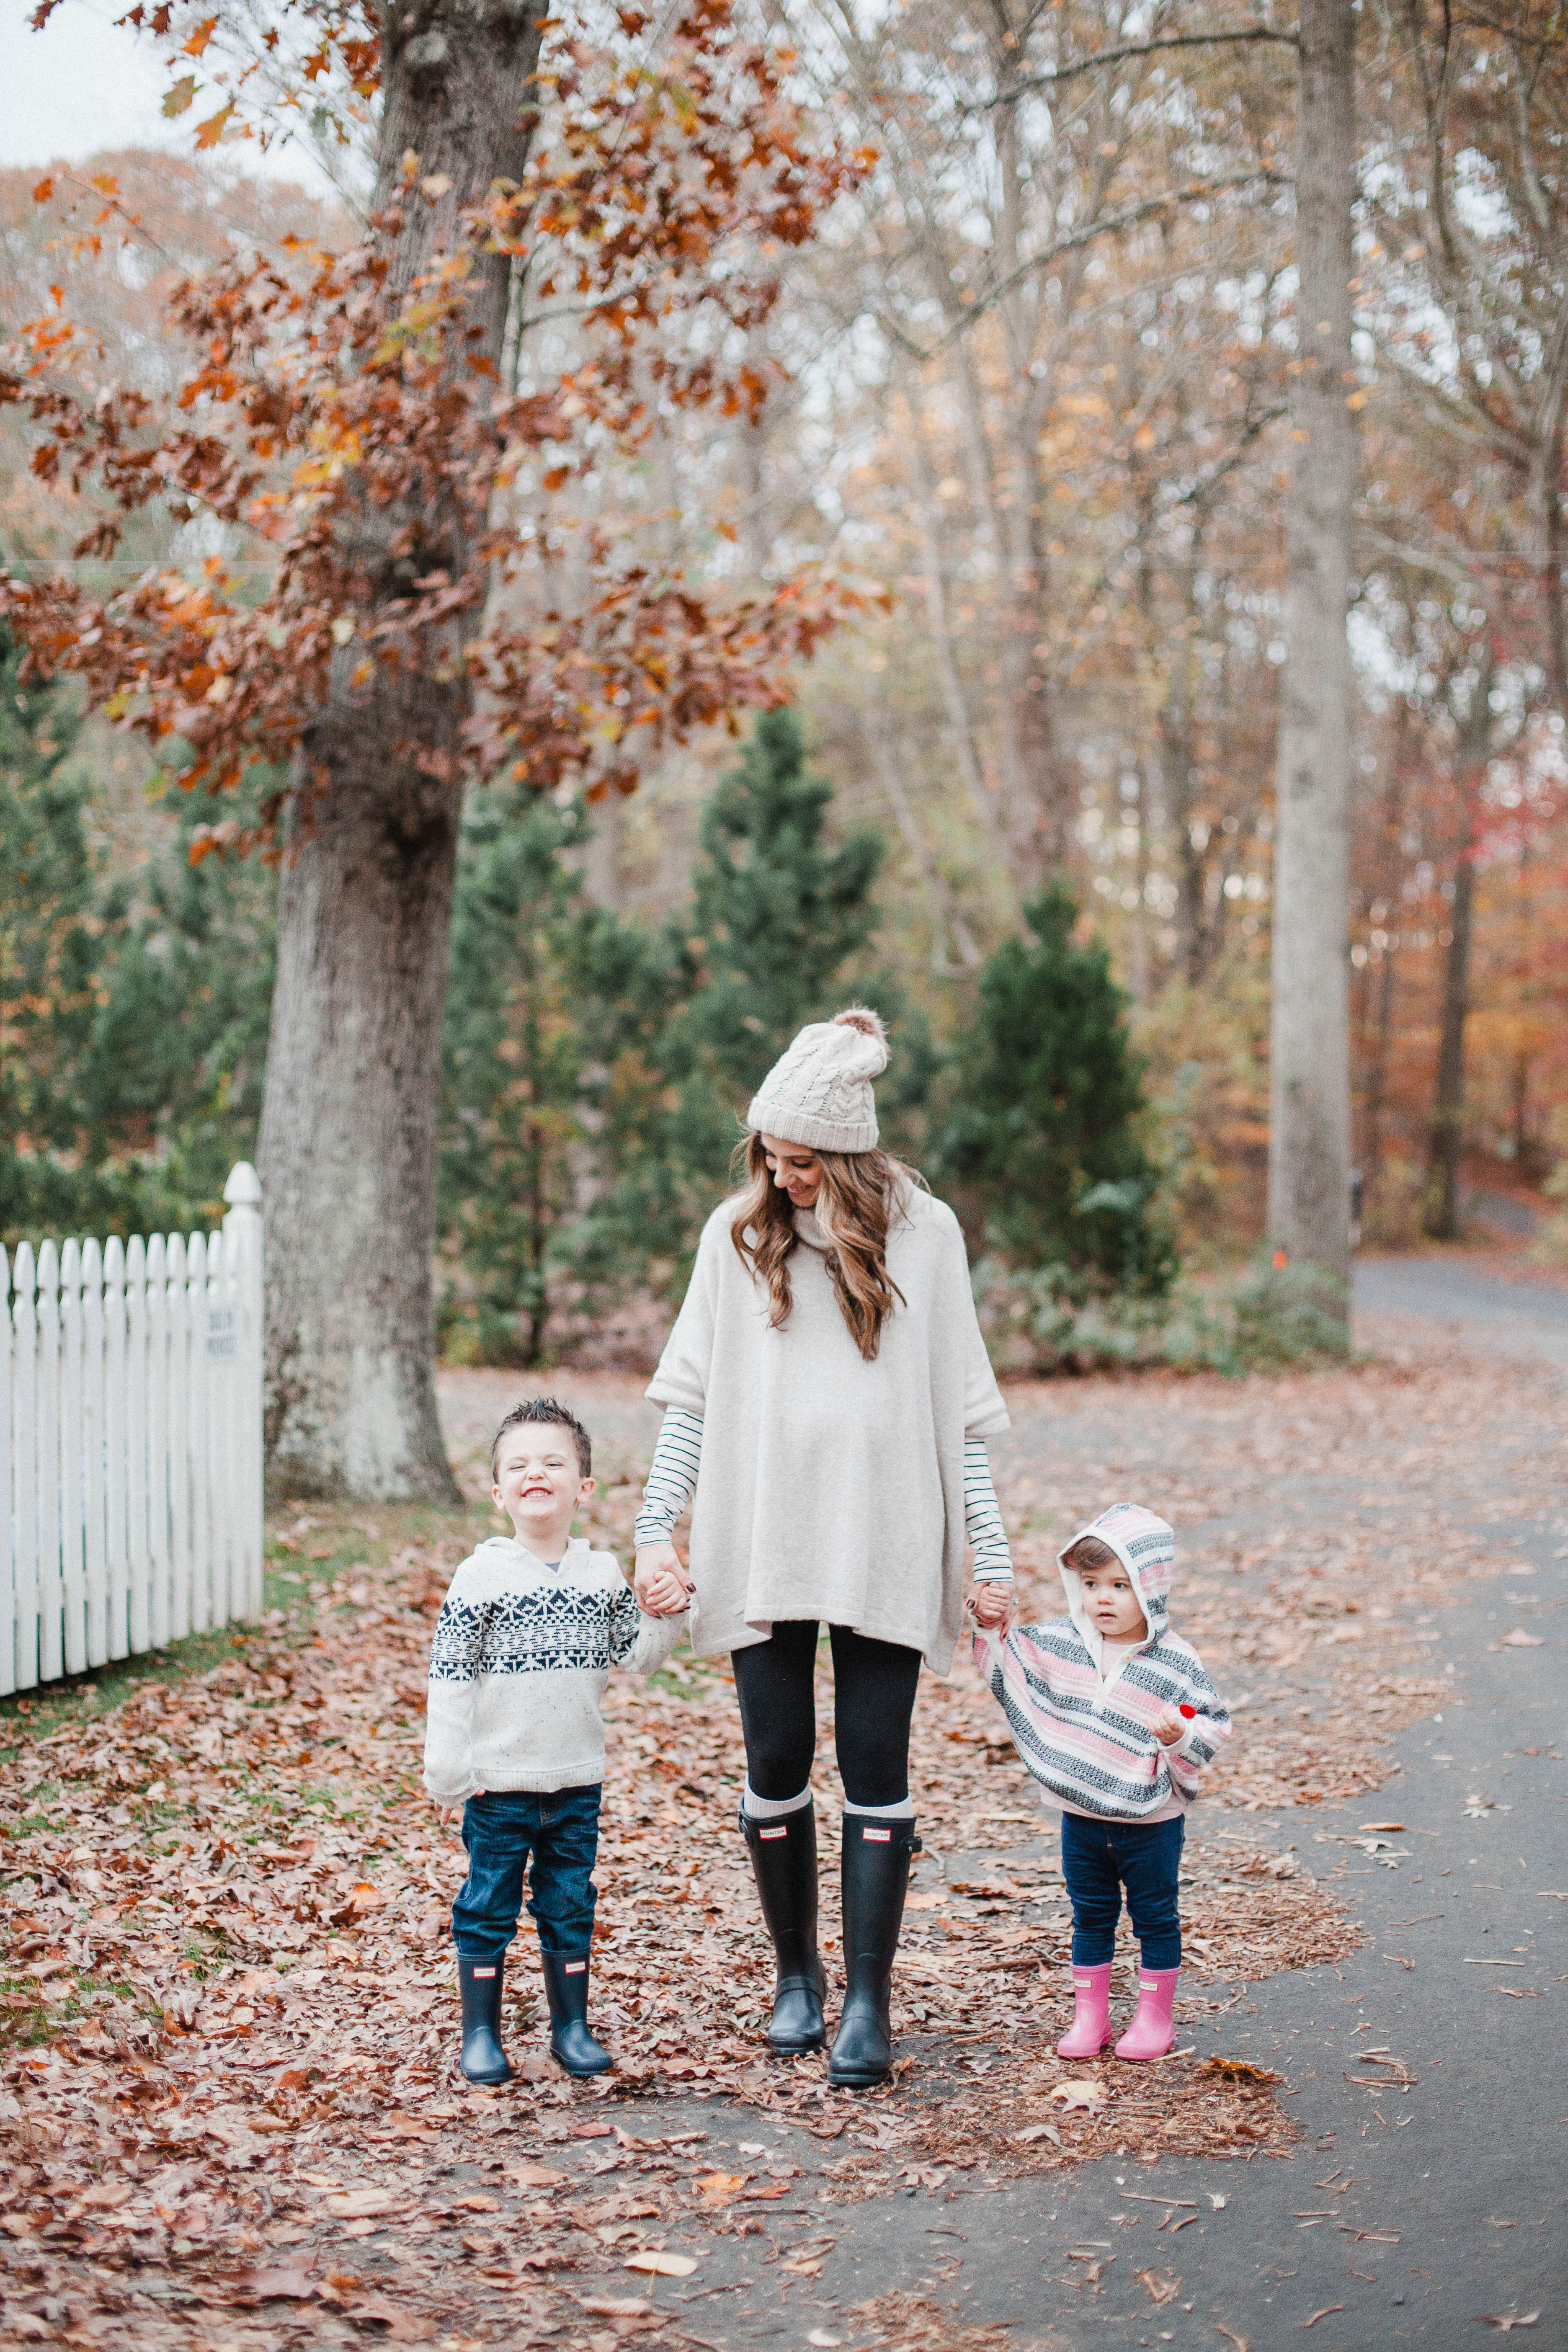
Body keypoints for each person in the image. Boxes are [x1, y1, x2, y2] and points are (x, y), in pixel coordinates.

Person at [632, 1006, 1016, 2087]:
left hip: (887, 1531)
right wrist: (652, 1527)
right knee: (774, 1753)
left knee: (878, 1757)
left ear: (848, 1154)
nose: (783, 1176)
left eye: (803, 1161)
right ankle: (796, 1977)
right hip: (763, 1533)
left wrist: (993, 1560)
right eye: (771, 1156)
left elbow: (961, 1413)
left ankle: (868, 2003)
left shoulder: (925, 1239)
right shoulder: (735, 1237)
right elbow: (691, 1405)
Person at [422, 1398, 686, 2084]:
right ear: (497, 1490)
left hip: (575, 1779)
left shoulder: (599, 1575)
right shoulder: (480, 1578)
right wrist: (448, 1768)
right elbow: (450, 1678)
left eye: (552, 1462)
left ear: (583, 1486)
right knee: (488, 1905)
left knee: (569, 1903)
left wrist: (671, 1610)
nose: (535, 1473)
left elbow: (639, 1655)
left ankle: (571, 2026)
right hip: (498, 1786)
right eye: (518, 1464)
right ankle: (480, 2034)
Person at [970, 1503, 1231, 2061]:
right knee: (1090, 1915)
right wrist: (989, 1621)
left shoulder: (1175, 1662)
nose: (1103, 1598)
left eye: (1121, 1584)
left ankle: (1154, 2021)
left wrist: (1178, 1736)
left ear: (1152, 1589)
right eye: (1091, 1584)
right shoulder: (1066, 1643)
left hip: (1150, 1823)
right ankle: (1091, 2020)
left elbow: (1211, 1720)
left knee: (1155, 1916)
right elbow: (1011, 1655)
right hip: (1082, 1819)